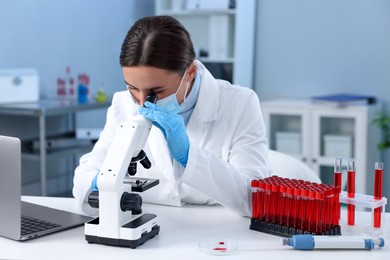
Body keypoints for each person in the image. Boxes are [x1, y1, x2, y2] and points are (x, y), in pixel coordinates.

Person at [72, 15, 271, 217]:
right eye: (132, 88)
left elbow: (256, 197)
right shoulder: (122, 104)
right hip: (147, 228)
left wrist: (189, 156)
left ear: (191, 71)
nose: (142, 103)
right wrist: (99, 182)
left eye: (156, 91)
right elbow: (84, 178)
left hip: (216, 232)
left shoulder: (239, 104)